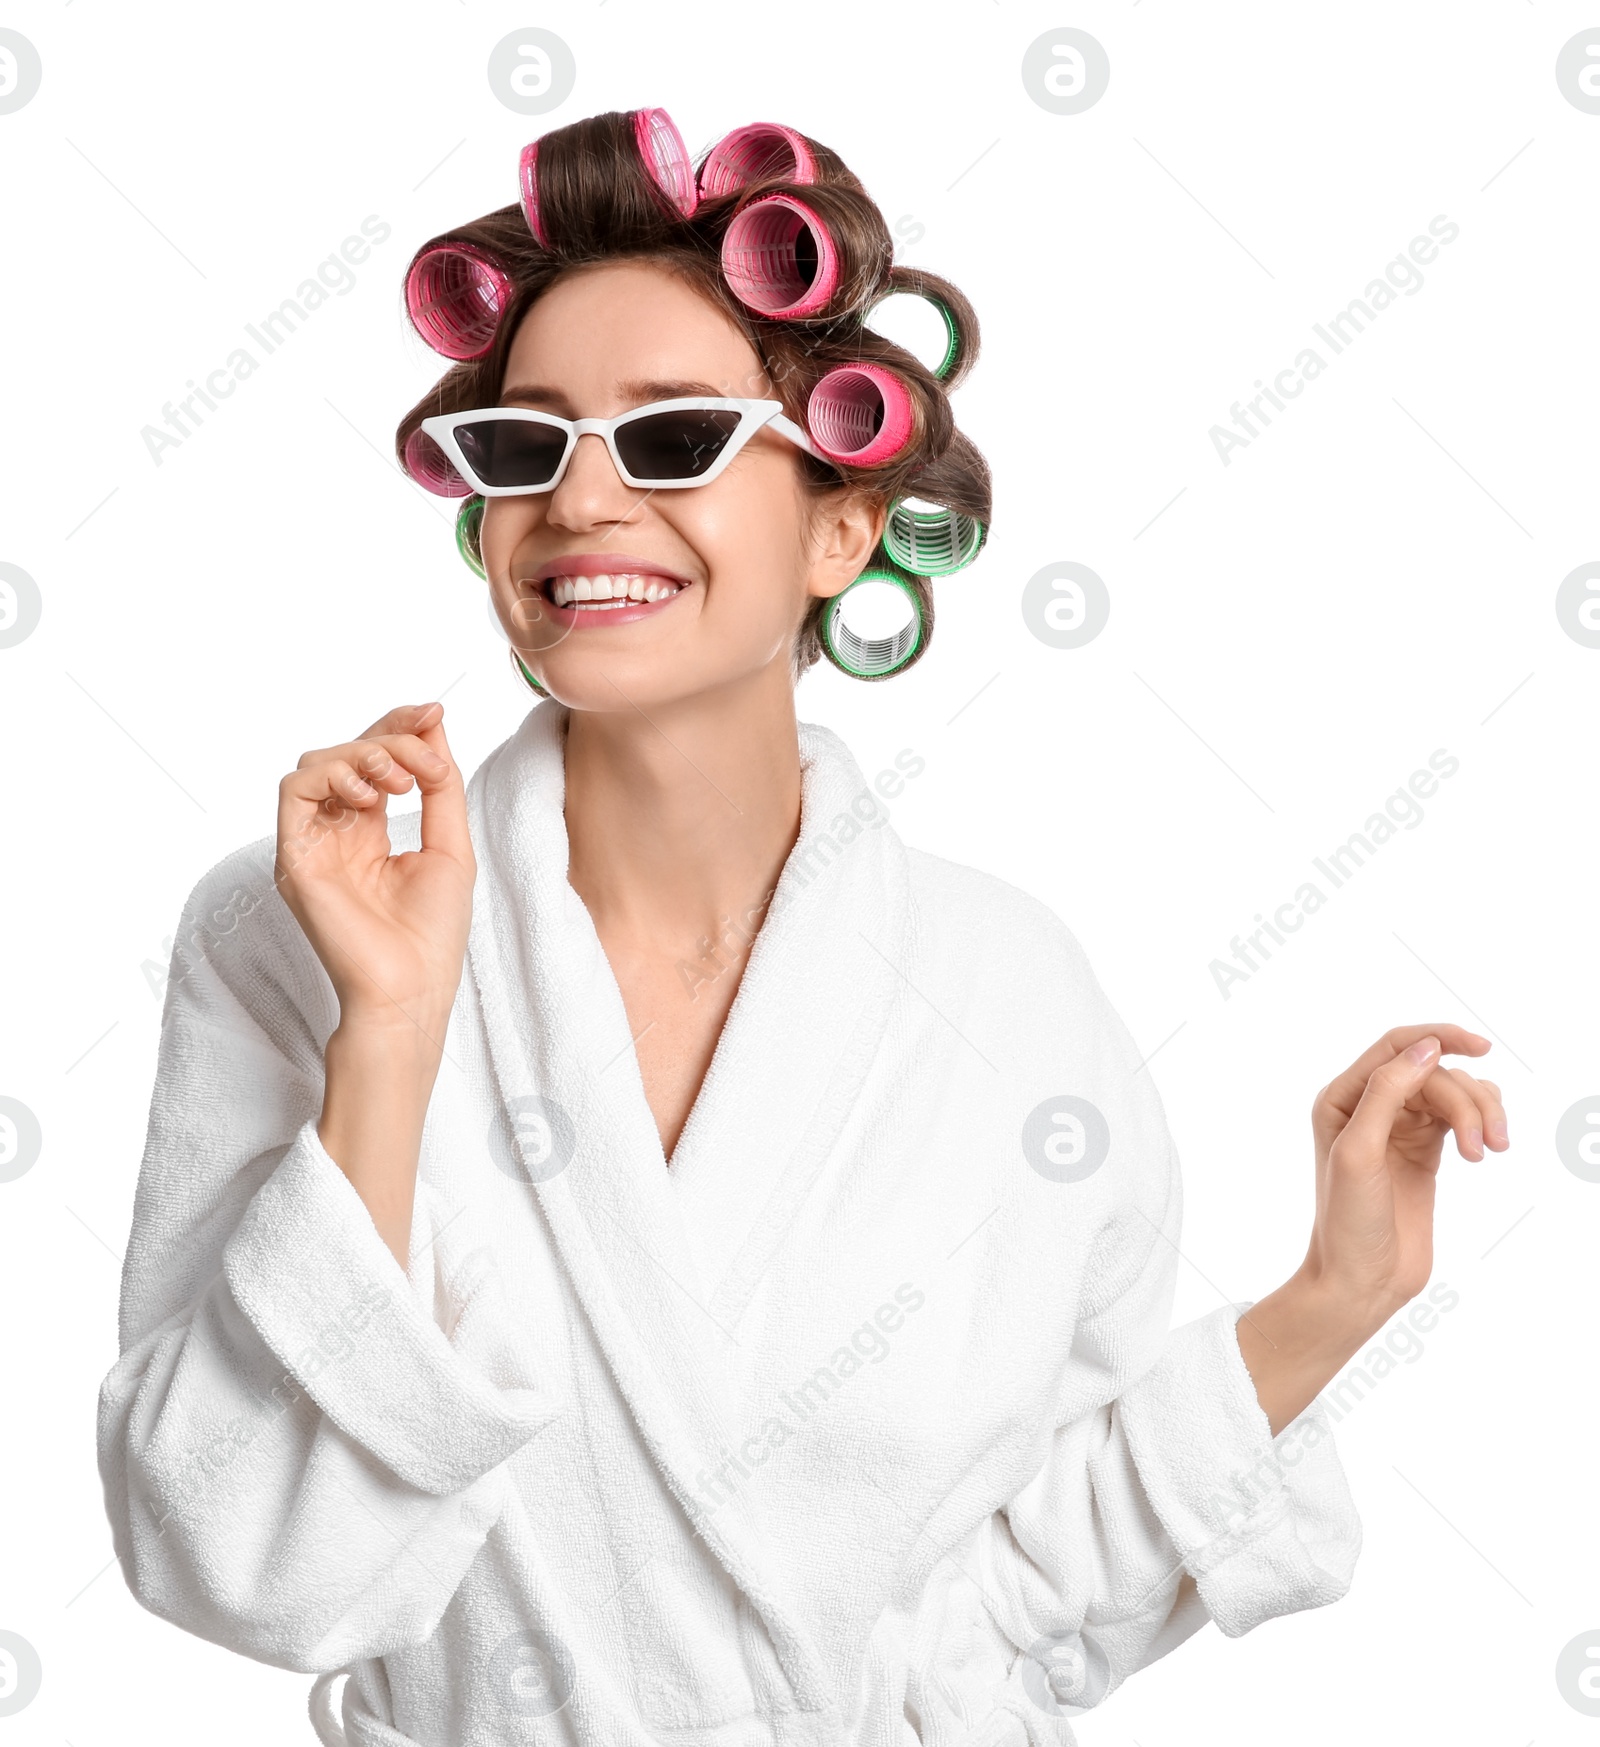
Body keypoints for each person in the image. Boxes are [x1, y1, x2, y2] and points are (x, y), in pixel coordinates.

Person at [98, 109, 1510, 1747]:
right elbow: (227, 1561)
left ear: (842, 525)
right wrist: (395, 1038)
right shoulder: (298, 937)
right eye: (525, 446)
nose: (583, 500)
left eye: (676, 437)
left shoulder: (1008, 994)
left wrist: (1333, 1296)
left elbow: (1029, 1604)